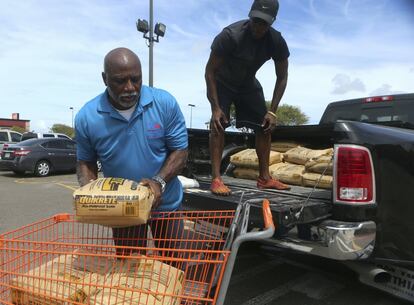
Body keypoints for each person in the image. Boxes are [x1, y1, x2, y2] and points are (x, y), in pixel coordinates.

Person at [75, 47, 188, 255]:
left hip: (166, 207)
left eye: (136, 79)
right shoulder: (87, 116)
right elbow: (86, 161)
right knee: (130, 276)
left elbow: (180, 150)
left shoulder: (164, 103)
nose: (130, 88)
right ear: (104, 79)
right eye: (120, 81)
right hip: (124, 210)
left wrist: (159, 181)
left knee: (173, 268)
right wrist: (88, 188)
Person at [205, 0, 291, 196]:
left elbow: (282, 77)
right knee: (218, 124)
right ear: (250, 16)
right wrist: (215, 107)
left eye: (264, 23)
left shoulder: (276, 41)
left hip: (248, 84)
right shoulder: (230, 35)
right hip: (222, 82)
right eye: (256, 21)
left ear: (272, 22)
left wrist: (272, 111)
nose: (259, 27)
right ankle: (216, 178)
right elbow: (210, 71)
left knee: (265, 125)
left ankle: (264, 178)